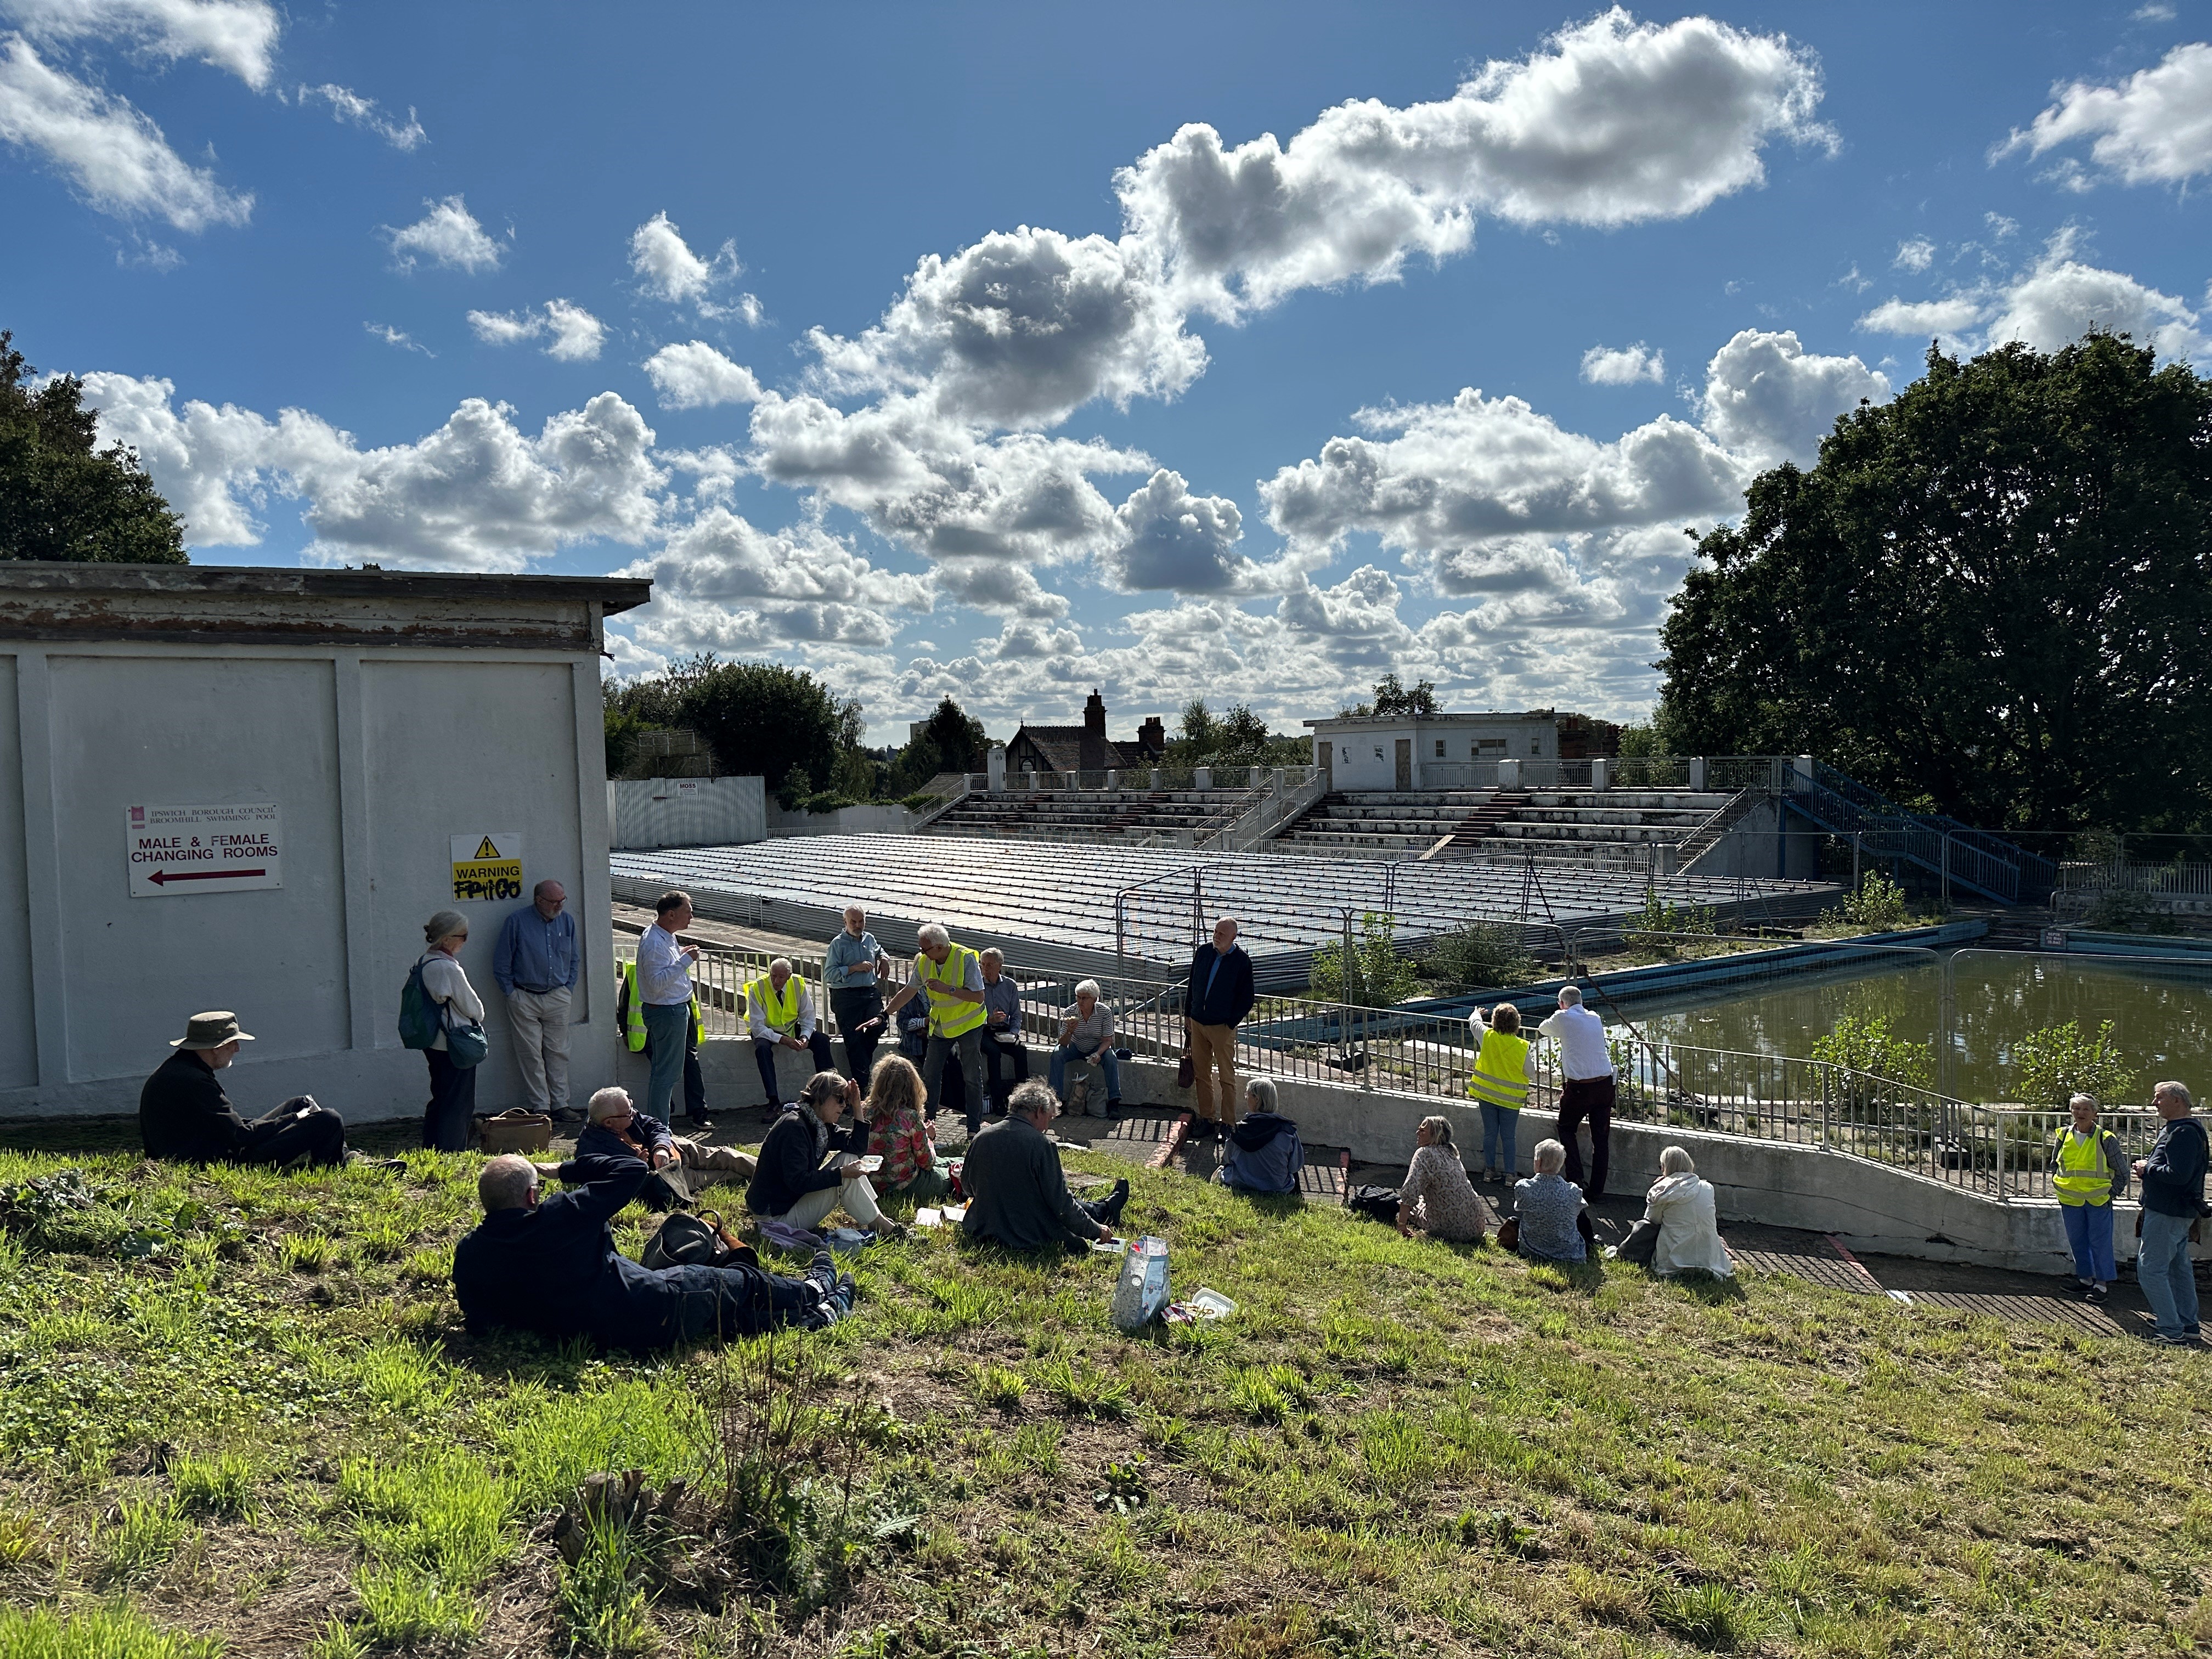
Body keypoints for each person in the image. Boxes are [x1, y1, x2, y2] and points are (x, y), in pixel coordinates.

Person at [454, 1150, 854, 1350]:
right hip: (652, 1305)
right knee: (738, 1281)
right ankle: (813, 1290)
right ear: (532, 1194)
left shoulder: (470, 1254)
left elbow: (479, 1318)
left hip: (604, 1336)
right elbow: (630, 1169)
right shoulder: (561, 1215)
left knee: (726, 1317)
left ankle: (814, 1319)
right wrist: (565, 1170)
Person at [139, 1011, 374, 1169]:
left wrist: (295, 1114)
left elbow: (229, 1129)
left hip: (212, 1150)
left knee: (302, 1103)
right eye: (233, 1043)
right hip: (220, 1162)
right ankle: (339, 1163)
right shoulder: (193, 1081)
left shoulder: (180, 1069)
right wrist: (295, 1119)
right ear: (215, 1048)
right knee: (329, 1120)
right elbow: (240, 1134)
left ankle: (347, 1157)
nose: (238, 1050)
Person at [961, 1080, 1128, 1252]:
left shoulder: (981, 1137)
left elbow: (967, 1187)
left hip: (982, 1228)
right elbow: (1061, 1203)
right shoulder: (1041, 1145)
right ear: (1039, 1111)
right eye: (1049, 1118)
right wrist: (1095, 1230)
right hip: (1025, 1235)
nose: (1047, 1127)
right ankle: (1102, 1211)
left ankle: (1102, 1210)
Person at [746, 1070, 894, 1233]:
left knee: (848, 1158)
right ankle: (882, 1225)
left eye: (846, 1101)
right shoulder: (794, 1127)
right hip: (774, 1219)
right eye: (840, 1100)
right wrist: (841, 1174)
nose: (844, 1106)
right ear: (822, 1097)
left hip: (788, 1204)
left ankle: (877, 1219)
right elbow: (799, 1181)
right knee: (844, 1175)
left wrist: (857, 1106)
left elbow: (856, 1147)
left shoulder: (819, 1125)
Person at [884, 923, 988, 1137]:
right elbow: (909, 991)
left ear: (940, 947)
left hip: (969, 1025)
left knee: (971, 1077)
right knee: (930, 1075)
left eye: (925, 949)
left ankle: (974, 1128)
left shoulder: (965, 958)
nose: (921, 953)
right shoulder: (924, 961)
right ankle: (926, 1125)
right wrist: (885, 1014)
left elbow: (979, 996)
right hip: (942, 1026)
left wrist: (947, 989)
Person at [558, 1086, 755, 1194]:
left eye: (632, 1107)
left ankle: (772, 1169)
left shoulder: (623, 1114)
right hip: (668, 1177)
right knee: (727, 1174)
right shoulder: (592, 1151)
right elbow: (614, 1183)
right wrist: (636, 1166)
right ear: (609, 1123)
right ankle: (763, 1180)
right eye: (629, 1113)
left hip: (674, 1149)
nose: (634, 1113)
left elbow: (654, 1125)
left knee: (726, 1155)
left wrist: (661, 1147)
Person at [493, 879, 580, 1121]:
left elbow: (574, 959)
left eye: (562, 900)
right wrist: (511, 993)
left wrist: (568, 988)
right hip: (524, 996)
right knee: (530, 1054)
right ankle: (541, 1106)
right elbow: (502, 962)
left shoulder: (567, 921)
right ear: (538, 900)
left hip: (558, 995)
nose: (559, 906)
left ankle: (561, 1104)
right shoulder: (516, 922)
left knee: (559, 1052)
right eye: (554, 901)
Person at [2132, 1080, 2208, 1346]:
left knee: (2150, 1269)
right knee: (2178, 1269)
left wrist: (2146, 1169)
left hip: (2167, 1211)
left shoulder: (2184, 1133)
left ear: (2178, 1101)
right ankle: (2187, 1325)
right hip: (2175, 1211)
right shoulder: (2181, 1129)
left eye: (2159, 1097)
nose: (2154, 1103)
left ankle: (2171, 1330)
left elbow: (2178, 1175)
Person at [418, 910, 486, 1153]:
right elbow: (475, 1009)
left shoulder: (423, 962)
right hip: (454, 1042)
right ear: (447, 939)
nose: (466, 941)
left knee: (441, 1096)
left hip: (433, 1040)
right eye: (463, 936)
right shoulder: (449, 969)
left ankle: (432, 1147)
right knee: (459, 1102)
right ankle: (452, 1150)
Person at [635, 891, 703, 1130]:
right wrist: (686, 961)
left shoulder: (664, 936)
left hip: (671, 1011)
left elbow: (663, 968)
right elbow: (656, 983)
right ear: (671, 914)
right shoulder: (655, 942)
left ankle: (657, 1125)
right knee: (667, 1075)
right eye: (688, 911)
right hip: (667, 1012)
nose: (692, 916)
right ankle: (660, 1129)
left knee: (663, 1072)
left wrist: (680, 955)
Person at [2052, 1092, 2128, 1302]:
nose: (2081, 1113)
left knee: (2100, 1243)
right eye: (2076, 1109)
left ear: (2095, 1113)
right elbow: (2055, 1164)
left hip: (2098, 1200)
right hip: (2070, 1200)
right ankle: (2085, 1279)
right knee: (2077, 1241)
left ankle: (2101, 1286)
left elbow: (2122, 1172)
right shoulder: (2064, 1135)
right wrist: (2058, 1185)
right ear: (2071, 1111)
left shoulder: (2106, 1139)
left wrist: (2110, 1194)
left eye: (2086, 1109)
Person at [1539, 986, 1613, 1200]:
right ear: (1581, 1001)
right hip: (1605, 1084)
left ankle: (1575, 1181)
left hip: (1580, 1088)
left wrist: (1559, 1013)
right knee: (1601, 1139)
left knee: (1566, 1128)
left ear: (1562, 1003)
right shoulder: (1595, 1017)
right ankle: (1597, 1190)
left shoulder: (1562, 1017)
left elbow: (1544, 1029)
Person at [1186, 917, 1255, 1141]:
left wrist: (1231, 1022)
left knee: (1227, 1078)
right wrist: (1188, 1013)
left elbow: (1247, 998)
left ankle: (1228, 1123)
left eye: (1222, 934)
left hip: (1222, 1027)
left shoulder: (1242, 961)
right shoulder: (1204, 952)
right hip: (1198, 1022)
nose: (1216, 936)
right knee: (1201, 1074)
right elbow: (1192, 983)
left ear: (1233, 937)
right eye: (1215, 932)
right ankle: (1207, 1119)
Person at [747, 957, 836, 1108]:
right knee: (762, 1049)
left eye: (781, 977)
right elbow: (757, 1027)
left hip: (791, 1028)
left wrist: (805, 1037)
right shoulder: (757, 987)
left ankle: (831, 1093)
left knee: (821, 1040)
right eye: (773, 976)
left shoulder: (798, 984)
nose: (776, 981)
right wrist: (784, 1040)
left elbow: (808, 1015)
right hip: (766, 1031)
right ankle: (773, 1101)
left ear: (788, 976)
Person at [865, 1054, 952, 1204]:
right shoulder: (909, 1117)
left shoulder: (865, 1111)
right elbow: (927, 1162)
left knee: (948, 1161)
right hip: (905, 1184)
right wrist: (929, 1137)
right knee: (957, 1168)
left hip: (872, 1183)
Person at [1465, 1003, 1535, 1181]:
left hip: (1487, 1096)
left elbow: (1474, 1023)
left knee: (1490, 1134)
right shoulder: (1521, 1046)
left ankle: (1489, 1171)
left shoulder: (1487, 1036)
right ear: (1517, 1023)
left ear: (1494, 1021)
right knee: (1508, 1137)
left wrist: (1477, 1012)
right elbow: (1530, 1072)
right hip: (1510, 1101)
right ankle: (1511, 1175)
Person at [1639, 1147, 1733, 1277]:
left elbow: (1650, 1222)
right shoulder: (1708, 1188)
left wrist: (1657, 1187)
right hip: (1709, 1258)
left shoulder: (1659, 1192)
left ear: (1665, 1168)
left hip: (1673, 1259)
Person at [825, 907, 891, 1091]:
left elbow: (879, 950)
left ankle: (861, 1078)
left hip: (869, 993)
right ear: (845, 922)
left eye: (861, 921)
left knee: (880, 1023)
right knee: (854, 1042)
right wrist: (853, 968)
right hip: (846, 996)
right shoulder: (837, 944)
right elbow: (829, 974)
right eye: (853, 922)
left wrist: (884, 958)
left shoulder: (869, 938)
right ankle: (861, 1090)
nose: (858, 925)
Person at [1396, 1115, 1485, 1242]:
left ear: (1435, 1135)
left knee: (1412, 1207)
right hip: (1476, 1226)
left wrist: (1402, 1226)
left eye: (1422, 1130)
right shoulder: (1452, 1153)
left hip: (1449, 1230)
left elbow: (1410, 1192)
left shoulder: (1424, 1154)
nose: (1417, 1133)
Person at [1215, 1076, 1303, 1194]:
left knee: (1220, 1172)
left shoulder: (1238, 1130)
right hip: (1276, 1188)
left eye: (1248, 1095)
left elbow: (1227, 1159)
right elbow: (1295, 1166)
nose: (1246, 1099)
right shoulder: (1288, 1132)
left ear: (1257, 1099)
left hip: (1241, 1184)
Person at [1048, 980, 1122, 1116]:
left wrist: (1098, 1053)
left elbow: (1108, 1040)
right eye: (1078, 997)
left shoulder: (1104, 1012)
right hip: (1076, 1046)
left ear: (1094, 999)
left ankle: (1114, 1102)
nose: (1080, 1001)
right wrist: (1069, 1031)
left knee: (1111, 1058)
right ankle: (1055, 1101)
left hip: (1096, 1047)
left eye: (1084, 998)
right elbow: (1062, 1043)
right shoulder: (1070, 1011)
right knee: (1057, 1054)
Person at [1513, 1139, 1588, 1263]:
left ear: (1538, 1161)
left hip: (1531, 1251)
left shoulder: (1524, 1188)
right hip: (1570, 1254)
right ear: (1561, 1163)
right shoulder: (1573, 1191)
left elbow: (1519, 1207)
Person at [979, 948, 1030, 1111]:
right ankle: (998, 1099)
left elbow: (1016, 1014)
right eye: (983, 965)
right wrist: (989, 1020)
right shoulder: (977, 986)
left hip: (1005, 1030)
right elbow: (972, 1016)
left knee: (1021, 1050)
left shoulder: (1009, 985)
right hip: (984, 1030)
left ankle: (1024, 1097)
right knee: (994, 1053)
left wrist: (1014, 1034)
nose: (986, 969)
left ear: (1000, 966)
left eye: (990, 965)